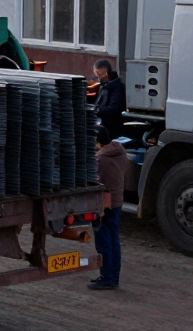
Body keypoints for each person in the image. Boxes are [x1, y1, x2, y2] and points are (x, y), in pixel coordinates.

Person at [90, 125, 127, 291]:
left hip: (105, 204)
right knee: (114, 239)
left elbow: (95, 181)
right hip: (117, 201)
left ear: (98, 142)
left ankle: (107, 278)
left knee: (103, 240)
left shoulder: (101, 159)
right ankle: (114, 276)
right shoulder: (120, 151)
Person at [93, 59, 126, 139]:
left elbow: (114, 108)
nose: (98, 78)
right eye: (96, 74)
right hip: (102, 121)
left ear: (106, 73)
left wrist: (97, 110)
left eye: (100, 74)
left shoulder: (117, 87)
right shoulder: (103, 86)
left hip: (111, 125)